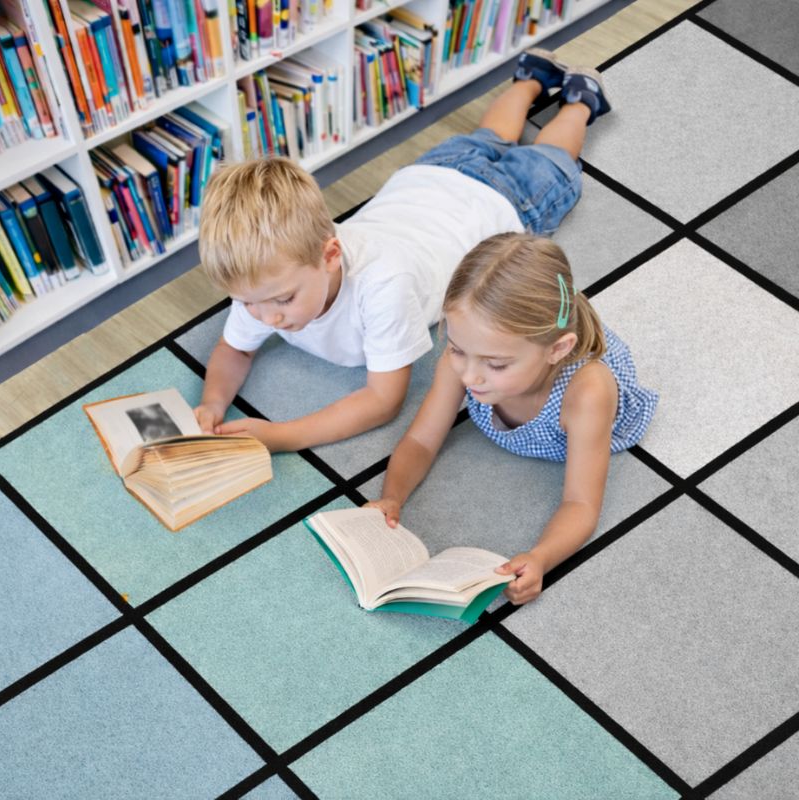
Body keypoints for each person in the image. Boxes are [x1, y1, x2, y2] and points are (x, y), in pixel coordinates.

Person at [195, 50, 612, 452]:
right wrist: (213, 402)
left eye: (284, 300)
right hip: (426, 177)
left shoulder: (382, 285)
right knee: (487, 139)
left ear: (331, 255)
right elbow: (234, 348)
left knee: (551, 155)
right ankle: (530, 78)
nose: (271, 319)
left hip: (501, 204)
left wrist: (284, 435)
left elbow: (383, 400)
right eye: (248, 304)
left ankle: (579, 101)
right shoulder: (266, 274)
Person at [366, 233, 658, 606]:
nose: (470, 376)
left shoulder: (587, 395)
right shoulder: (467, 362)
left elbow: (581, 504)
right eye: (457, 349)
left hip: (587, 397)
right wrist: (391, 497)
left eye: (496, 364)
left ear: (557, 350)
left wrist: (540, 557)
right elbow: (421, 441)